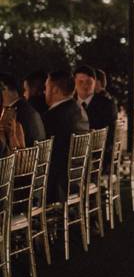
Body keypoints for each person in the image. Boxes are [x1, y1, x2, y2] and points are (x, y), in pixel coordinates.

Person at [42, 70, 90, 204]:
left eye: (46, 87)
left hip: (56, 185)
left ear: (56, 90)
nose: (44, 92)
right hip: (76, 178)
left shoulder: (52, 117)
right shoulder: (80, 110)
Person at [75, 65, 118, 163]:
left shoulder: (107, 105)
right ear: (74, 83)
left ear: (95, 83)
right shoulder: (69, 105)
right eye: (80, 82)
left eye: (89, 82)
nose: (85, 86)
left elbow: (110, 138)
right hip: (75, 157)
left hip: (98, 159)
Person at [0, 72, 46, 147]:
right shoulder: (27, 108)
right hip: (35, 157)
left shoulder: (14, 113)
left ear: (4, 88)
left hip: (23, 156)